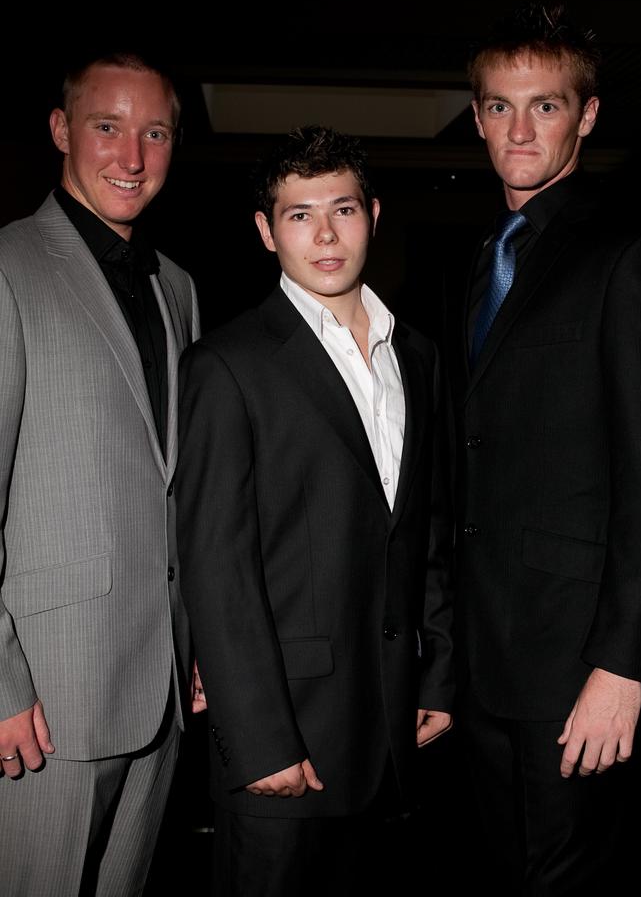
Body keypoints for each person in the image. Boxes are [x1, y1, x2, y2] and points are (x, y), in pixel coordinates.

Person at [453, 4, 641, 893]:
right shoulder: (479, 259)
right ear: (476, 114)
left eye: (546, 107)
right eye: (500, 107)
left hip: (575, 669)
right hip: (483, 668)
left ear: (586, 116)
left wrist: (623, 665)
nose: (520, 130)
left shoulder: (631, 257)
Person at [176, 125, 453, 896]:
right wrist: (259, 741)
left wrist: (439, 676)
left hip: (396, 733)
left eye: (343, 209)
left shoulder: (419, 356)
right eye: (299, 215)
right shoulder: (228, 365)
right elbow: (215, 565)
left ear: (374, 214)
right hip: (284, 739)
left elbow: (423, 529)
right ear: (266, 231)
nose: (325, 235)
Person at [0, 53, 199, 894]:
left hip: (160, 685)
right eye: (106, 127)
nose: (131, 156)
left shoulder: (180, 287)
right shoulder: (8, 266)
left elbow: (174, 482)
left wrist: (196, 637)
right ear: (60, 130)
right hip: (46, 696)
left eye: (153, 132)